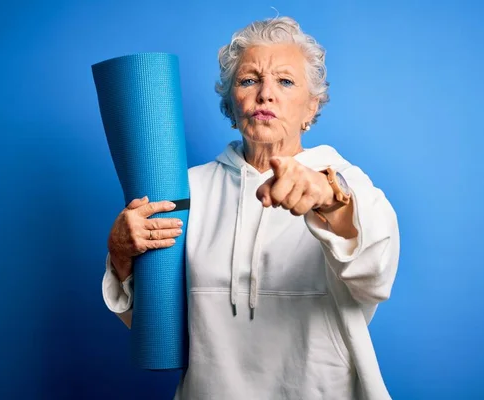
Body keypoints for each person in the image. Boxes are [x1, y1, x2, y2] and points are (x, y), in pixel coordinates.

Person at [102, 16, 400, 400]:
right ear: (231, 104)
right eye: (249, 80)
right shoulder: (185, 188)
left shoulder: (344, 180)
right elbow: (154, 323)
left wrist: (329, 197)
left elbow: (375, 271)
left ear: (311, 107)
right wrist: (121, 253)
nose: (265, 94)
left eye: (286, 81)